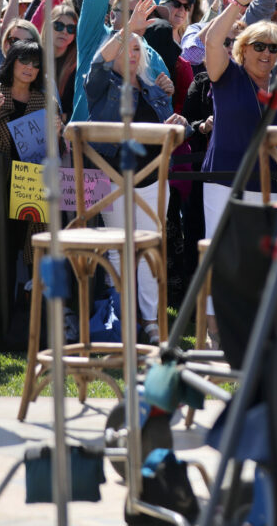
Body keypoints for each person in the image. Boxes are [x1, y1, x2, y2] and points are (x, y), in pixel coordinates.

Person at [86, 29, 191, 342]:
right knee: (119, 251)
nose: (132, 53)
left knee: (148, 250)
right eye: (125, 48)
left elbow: (169, 130)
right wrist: (126, 28)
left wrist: (179, 125)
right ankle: (123, 317)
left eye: (136, 48)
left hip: (153, 178)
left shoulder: (153, 86)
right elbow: (95, 65)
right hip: (111, 178)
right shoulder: (101, 84)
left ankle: (150, 322)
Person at [201, 0, 277, 238]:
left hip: (271, 186)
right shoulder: (228, 75)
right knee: (222, 256)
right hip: (225, 181)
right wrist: (239, 3)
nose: (266, 53)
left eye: (274, 48)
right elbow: (211, 41)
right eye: (259, 46)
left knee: (266, 266)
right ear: (243, 49)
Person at [0, 42, 53, 340]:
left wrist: (59, 132)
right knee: (0, 254)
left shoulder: (44, 100)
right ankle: (1, 326)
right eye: (23, 60)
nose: (29, 67)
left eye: (35, 62)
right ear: (12, 62)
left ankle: (28, 329)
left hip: (32, 187)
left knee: (30, 253)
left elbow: (59, 149)